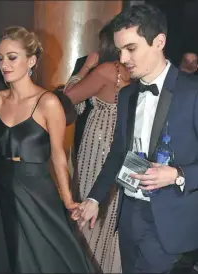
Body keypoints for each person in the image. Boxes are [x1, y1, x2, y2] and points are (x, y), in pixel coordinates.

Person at [72, 4, 198, 274]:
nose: (123, 58)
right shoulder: (128, 95)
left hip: (169, 222)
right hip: (129, 216)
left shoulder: (193, 92)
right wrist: (94, 200)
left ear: (159, 42)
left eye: (131, 48)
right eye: (119, 50)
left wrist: (177, 174)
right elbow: (118, 153)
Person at [0, 26, 94, 274]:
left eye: (12, 57)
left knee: (48, 259)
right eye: (0, 58)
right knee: (5, 258)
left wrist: (68, 200)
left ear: (31, 60)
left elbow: (58, 155)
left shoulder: (48, 103)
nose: (4, 65)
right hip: (1, 190)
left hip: (36, 191)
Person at [64, 22, 130, 273]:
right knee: (110, 207)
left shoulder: (104, 70)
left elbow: (68, 98)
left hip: (98, 144)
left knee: (88, 200)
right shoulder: (134, 72)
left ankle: (85, 264)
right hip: (123, 143)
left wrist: (85, 67)